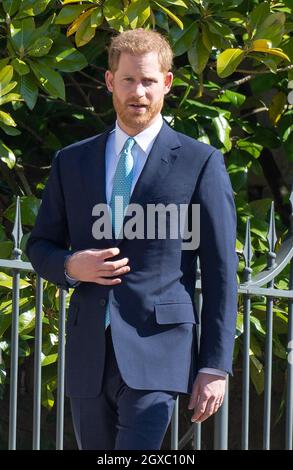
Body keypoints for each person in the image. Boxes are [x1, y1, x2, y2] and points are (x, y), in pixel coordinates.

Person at [26, 28, 238, 450]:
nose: (137, 92)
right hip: (90, 352)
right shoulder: (72, 161)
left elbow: (220, 272)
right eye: (128, 80)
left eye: (148, 81)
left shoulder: (200, 162)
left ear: (167, 84)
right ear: (110, 82)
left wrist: (215, 366)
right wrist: (71, 266)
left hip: (159, 351)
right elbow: (40, 246)